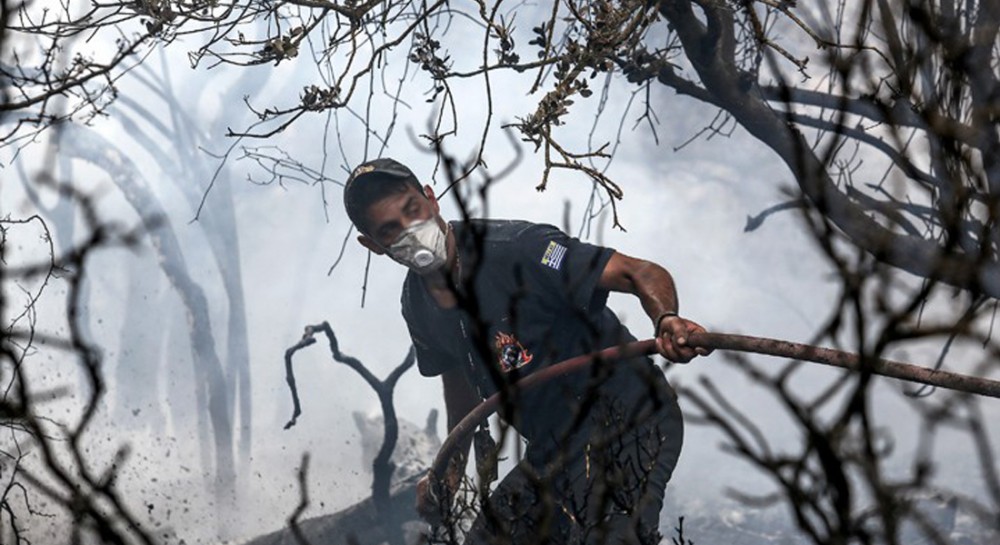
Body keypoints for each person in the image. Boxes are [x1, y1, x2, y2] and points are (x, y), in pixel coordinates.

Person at [343, 158, 711, 545]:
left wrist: (666, 318)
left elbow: (640, 272)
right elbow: (459, 381)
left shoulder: (518, 250)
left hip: (628, 418)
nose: (410, 231)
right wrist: (450, 469)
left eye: (412, 210)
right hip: (553, 448)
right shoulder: (416, 305)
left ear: (431, 199)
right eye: (389, 230)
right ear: (373, 245)